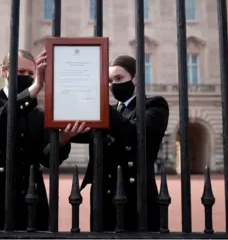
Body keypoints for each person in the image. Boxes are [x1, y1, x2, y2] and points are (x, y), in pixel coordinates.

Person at [0, 49, 89, 230]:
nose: (25, 76)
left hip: (29, 197)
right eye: (20, 72)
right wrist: (33, 89)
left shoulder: (37, 115)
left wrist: (62, 140)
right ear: (4, 71)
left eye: (30, 73)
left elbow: (47, 159)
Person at [71, 55, 169, 231]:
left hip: (136, 196)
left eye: (119, 78)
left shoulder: (154, 105)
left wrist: (101, 105)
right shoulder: (107, 111)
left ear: (135, 78)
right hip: (103, 197)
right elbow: (81, 132)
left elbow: (134, 134)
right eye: (109, 80)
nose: (113, 85)